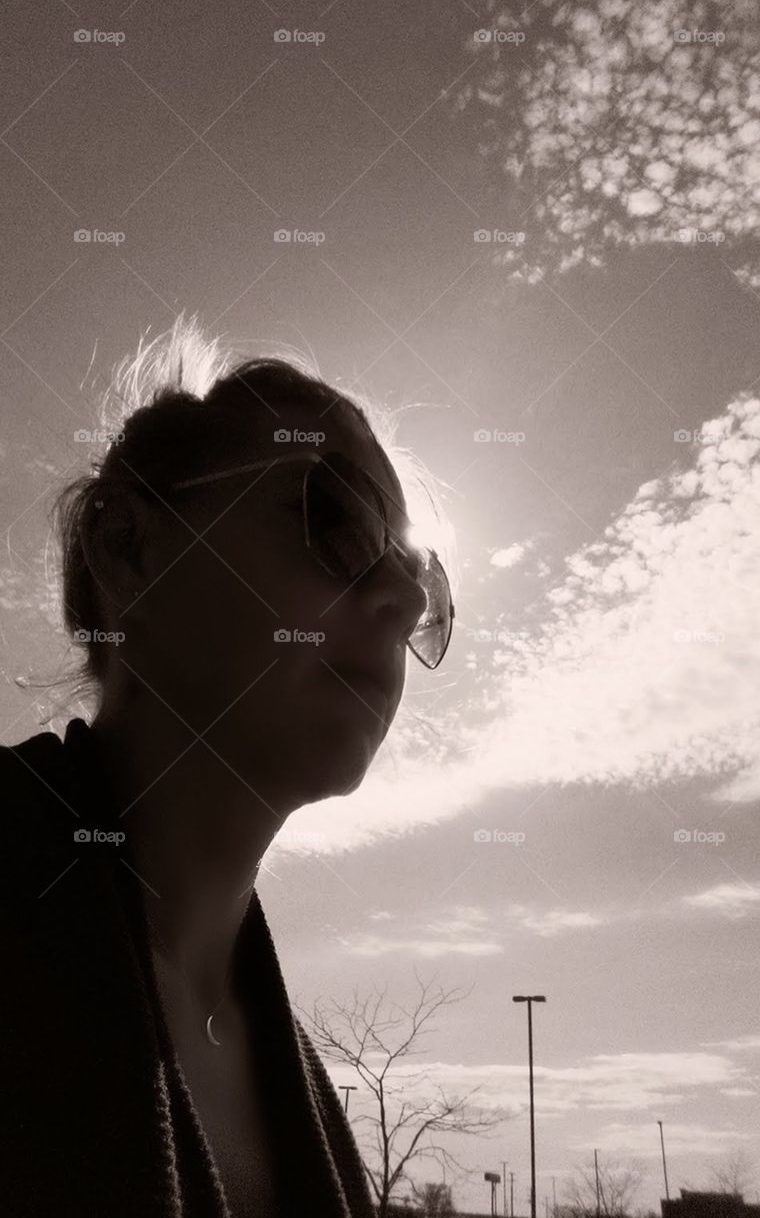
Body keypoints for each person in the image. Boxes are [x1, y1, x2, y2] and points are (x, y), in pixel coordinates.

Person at [0, 313, 456, 1217]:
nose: (402, 599)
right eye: (337, 518)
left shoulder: (303, 1096)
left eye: (424, 578)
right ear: (130, 550)